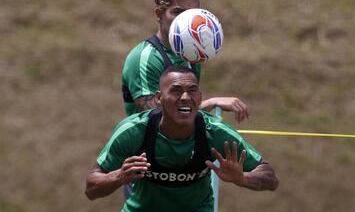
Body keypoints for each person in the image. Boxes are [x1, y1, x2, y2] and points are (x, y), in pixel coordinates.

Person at [85, 66, 279, 212]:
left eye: (192, 91)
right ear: (159, 97)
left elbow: (271, 178)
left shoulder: (216, 132)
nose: (185, 97)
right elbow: (91, 189)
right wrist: (118, 176)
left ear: (200, 97)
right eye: (176, 90)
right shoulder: (133, 131)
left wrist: (242, 178)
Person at [121, 0, 249, 123]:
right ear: (159, 14)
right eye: (178, 12)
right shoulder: (145, 57)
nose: (186, 20)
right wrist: (210, 104)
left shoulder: (191, 53)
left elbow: (184, 112)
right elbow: (155, 117)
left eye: (192, 13)